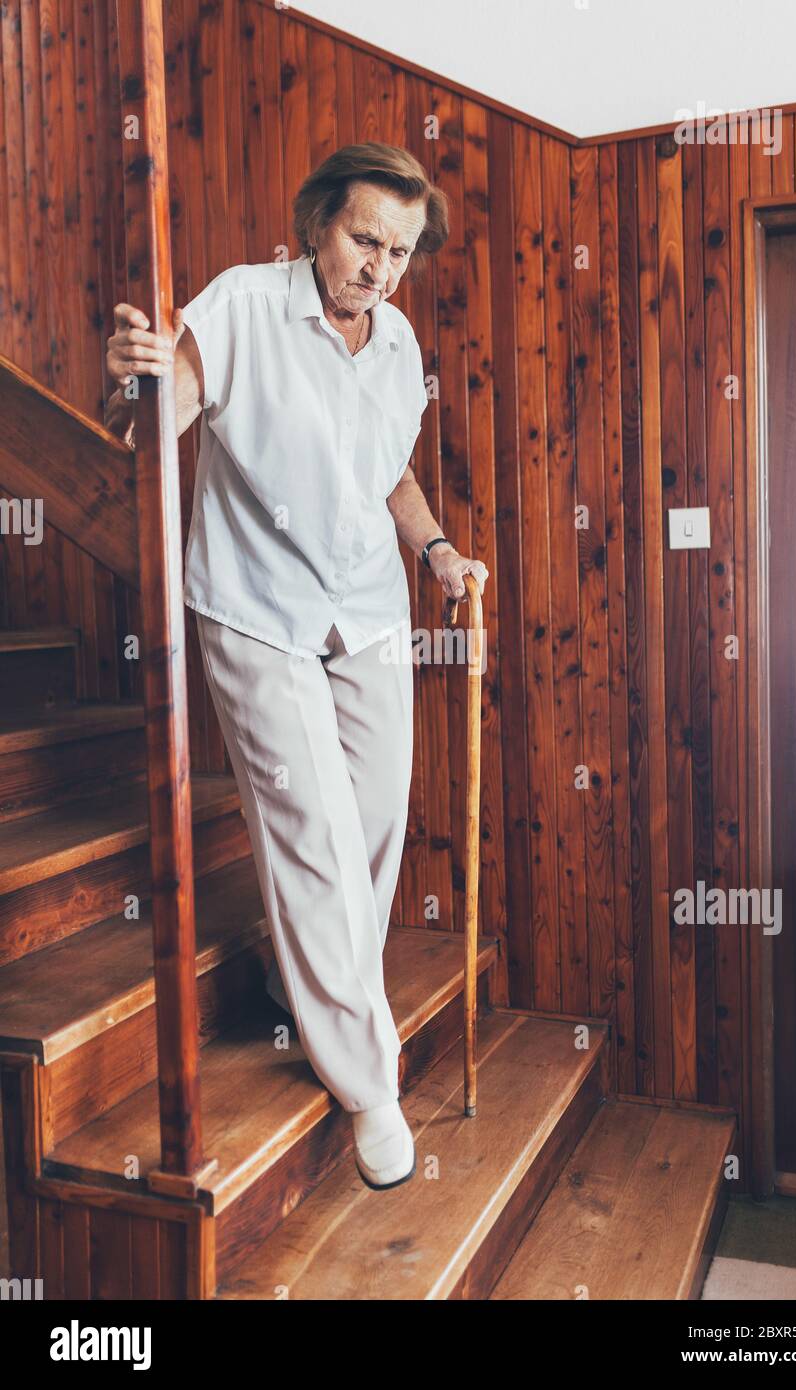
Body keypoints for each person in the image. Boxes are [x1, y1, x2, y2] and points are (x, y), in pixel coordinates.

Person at [105, 142, 488, 1190]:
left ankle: (292, 968)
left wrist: (436, 549)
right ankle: (369, 1086)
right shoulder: (242, 306)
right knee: (313, 834)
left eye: (400, 250)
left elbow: (388, 472)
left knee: (373, 826)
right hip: (255, 610)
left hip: (364, 608)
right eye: (365, 238)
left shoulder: (398, 341)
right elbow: (158, 420)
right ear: (317, 221)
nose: (380, 266)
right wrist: (137, 376)